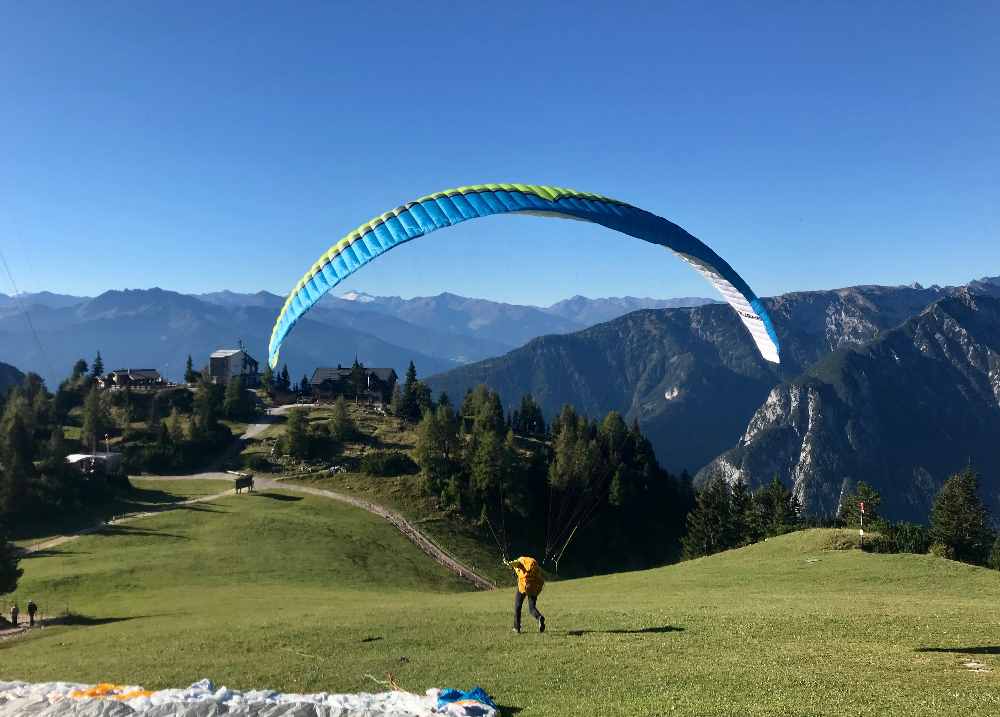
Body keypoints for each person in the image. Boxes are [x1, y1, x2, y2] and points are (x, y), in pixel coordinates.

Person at [504, 556, 545, 634]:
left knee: (517, 606)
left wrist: (508, 564)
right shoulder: (532, 564)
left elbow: (514, 564)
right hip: (534, 586)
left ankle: (516, 628)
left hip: (523, 587)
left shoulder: (519, 563)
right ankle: (539, 617)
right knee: (532, 608)